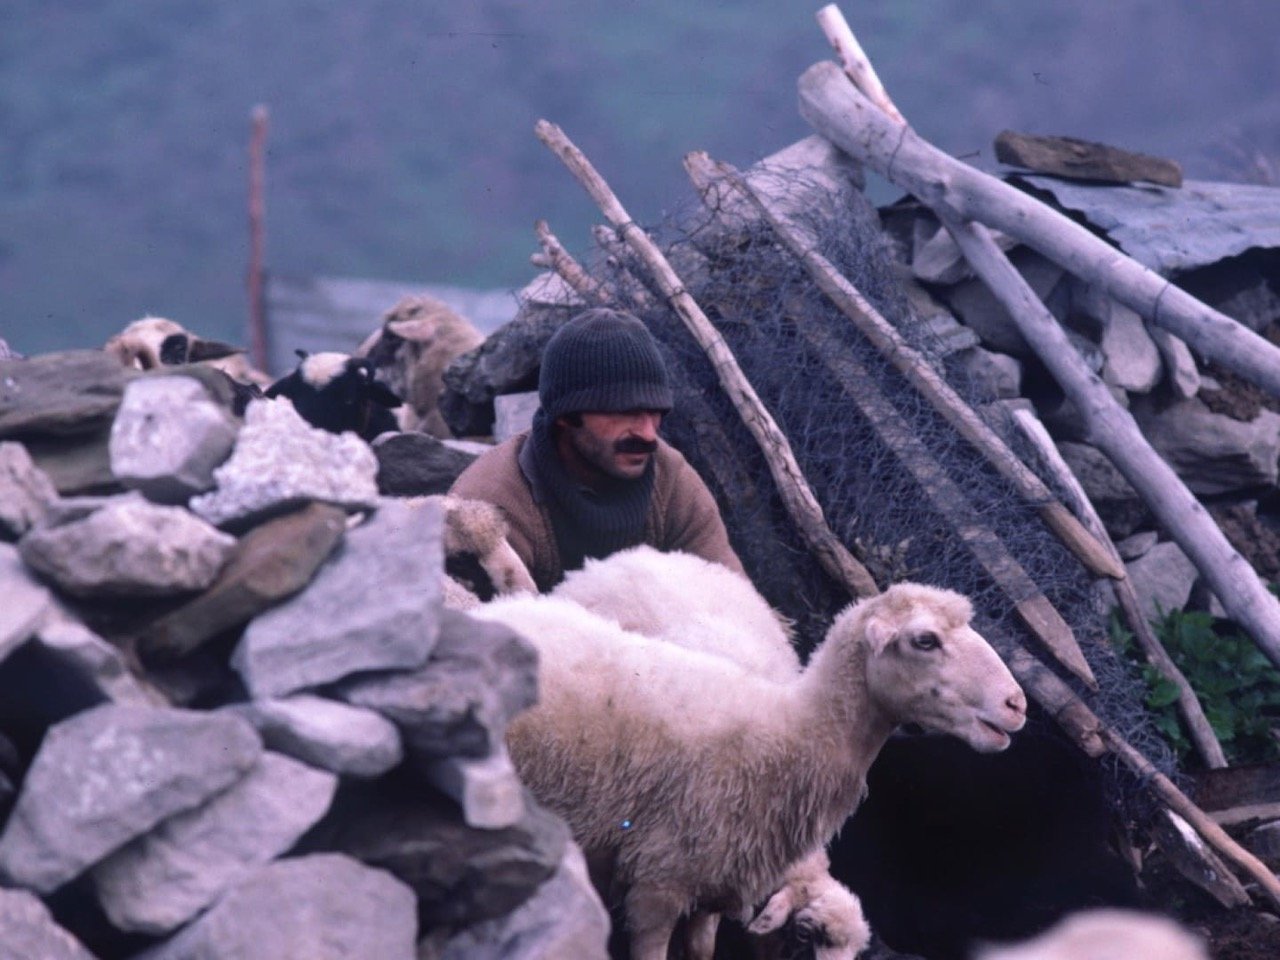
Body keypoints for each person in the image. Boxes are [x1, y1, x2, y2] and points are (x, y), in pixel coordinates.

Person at [449, 307, 744, 592]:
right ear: (565, 416)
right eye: (625, 413)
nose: (648, 434)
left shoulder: (671, 479)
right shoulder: (491, 503)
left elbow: (731, 602)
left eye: (656, 412)